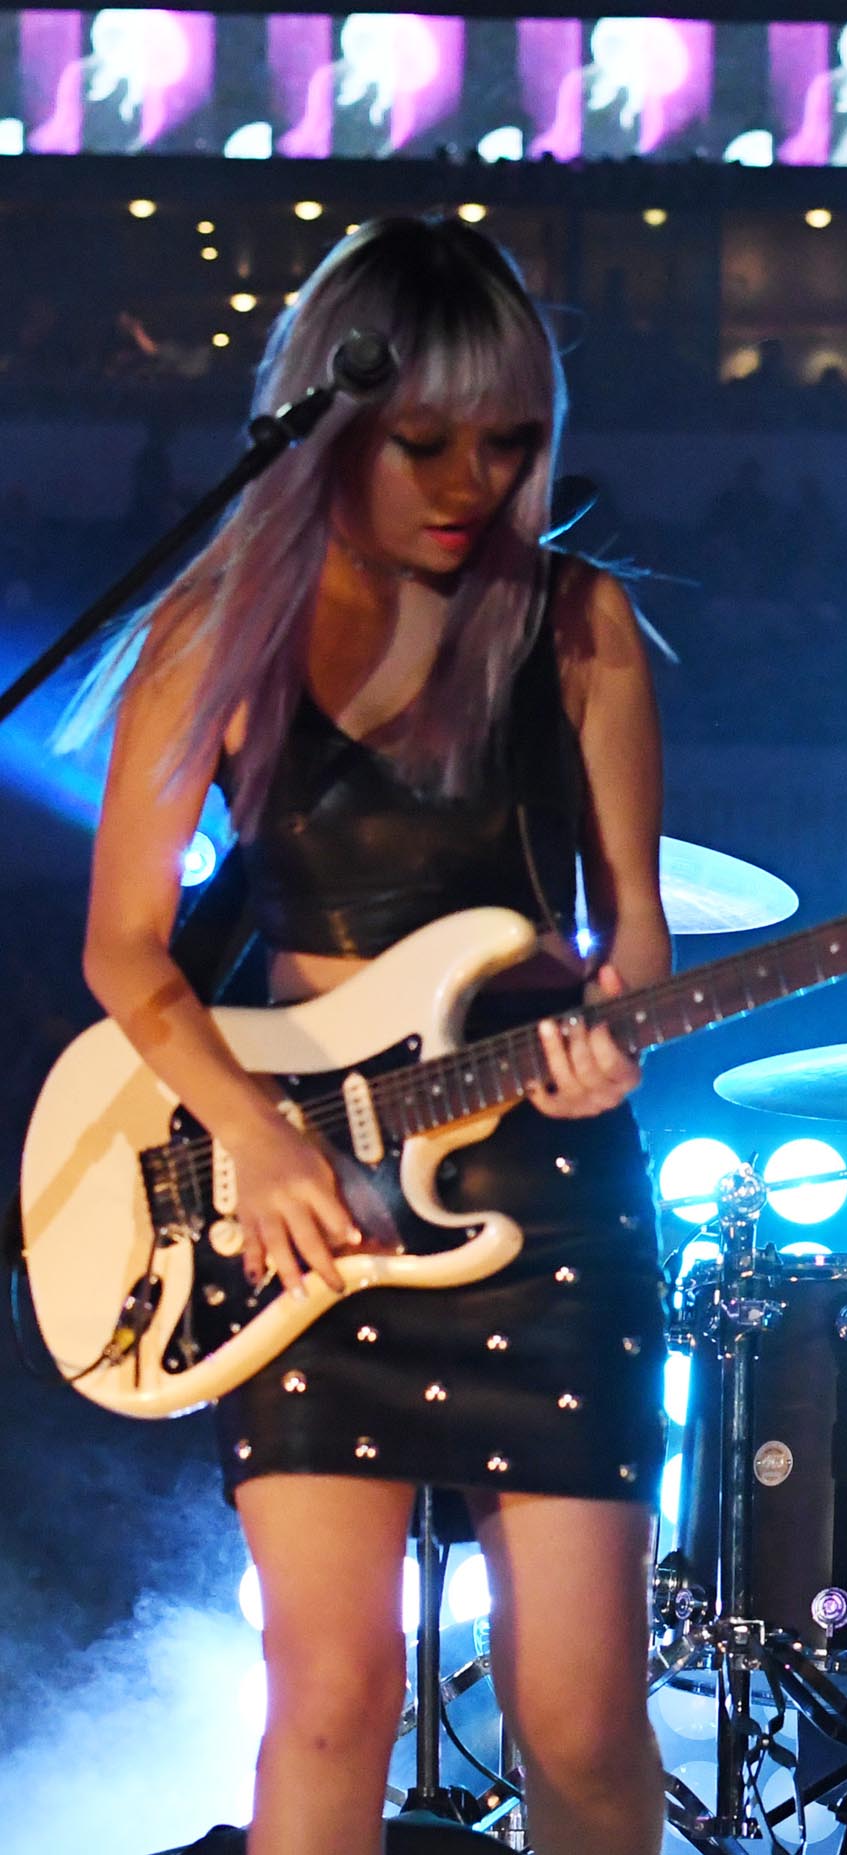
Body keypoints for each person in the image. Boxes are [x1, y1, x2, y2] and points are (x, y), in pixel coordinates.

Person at [67, 216, 669, 1855]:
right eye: (425, 443)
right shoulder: (219, 634)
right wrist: (256, 1139)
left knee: (583, 1724)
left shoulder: (581, 627)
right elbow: (125, 950)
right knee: (328, 1695)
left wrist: (616, 1037)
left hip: (551, 1210)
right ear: (335, 422)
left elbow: (637, 949)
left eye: (511, 443)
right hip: (310, 1216)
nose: (473, 480)